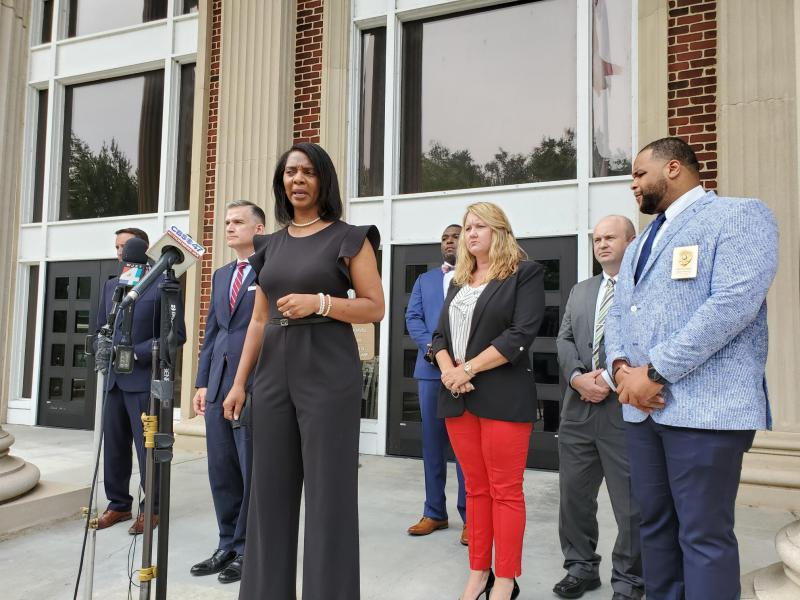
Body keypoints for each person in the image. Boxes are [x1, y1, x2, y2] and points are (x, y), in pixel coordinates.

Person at [605, 137, 779, 600]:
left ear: (675, 168)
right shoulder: (641, 242)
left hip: (705, 411)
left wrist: (654, 372)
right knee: (655, 527)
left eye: (640, 174)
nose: (634, 185)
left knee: (703, 536)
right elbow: (621, 313)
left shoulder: (739, 216)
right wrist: (621, 368)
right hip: (642, 413)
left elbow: (731, 305)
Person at [223, 142, 384, 599]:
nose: (297, 180)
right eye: (290, 172)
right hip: (272, 375)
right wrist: (239, 384)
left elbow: (376, 307)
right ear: (281, 182)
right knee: (268, 495)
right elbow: (258, 318)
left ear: (323, 180)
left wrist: (322, 302)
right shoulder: (268, 245)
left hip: (327, 372)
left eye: (308, 172)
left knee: (328, 499)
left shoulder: (349, 237)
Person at [431, 202, 545, 600]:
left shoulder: (523, 274)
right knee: (475, 491)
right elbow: (439, 337)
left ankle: (507, 580)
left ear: (500, 229)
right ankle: (479, 574)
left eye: (480, 225)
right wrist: (449, 371)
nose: (471, 233)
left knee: (505, 491)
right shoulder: (461, 280)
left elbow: (520, 334)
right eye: (467, 227)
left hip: (502, 397)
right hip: (457, 398)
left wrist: (469, 370)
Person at [553, 215, 643, 600]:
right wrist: (576, 378)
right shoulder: (581, 290)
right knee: (573, 496)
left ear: (631, 241)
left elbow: (644, 342)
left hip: (621, 410)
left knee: (630, 505)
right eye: (597, 239)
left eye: (610, 237)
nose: (602, 244)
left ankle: (629, 580)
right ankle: (580, 567)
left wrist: (605, 380)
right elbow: (564, 337)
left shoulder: (644, 288)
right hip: (578, 411)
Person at [190, 200, 265, 583]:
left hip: (254, 385)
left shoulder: (271, 270)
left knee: (250, 469)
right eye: (227, 222)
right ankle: (226, 544)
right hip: (219, 385)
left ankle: (249, 549)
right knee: (221, 469)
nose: (230, 227)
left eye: (238, 222)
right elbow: (213, 332)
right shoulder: (221, 275)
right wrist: (203, 382)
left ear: (259, 229)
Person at [95, 227, 187, 534]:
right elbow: (100, 328)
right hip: (112, 383)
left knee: (147, 449)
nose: (121, 251)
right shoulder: (110, 286)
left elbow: (176, 335)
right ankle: (118, 505)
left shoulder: (163, 284)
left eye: (127, 246)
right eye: (118, 246)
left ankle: (153, 509)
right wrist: (101, 345)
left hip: (143, 382)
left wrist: (136, 354)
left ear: (143, 250)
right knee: (114, 448)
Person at [405, 223, 468, 545]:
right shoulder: (425, 280)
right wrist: (433, 349)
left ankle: (471, 518)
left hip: (468, 372)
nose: (448, 242)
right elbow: (412, 318)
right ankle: (434, 512)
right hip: (430, 371)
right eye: (444, 238)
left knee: (464, 447)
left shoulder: (477, 277)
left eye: (454, 237)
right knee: (432, 445)